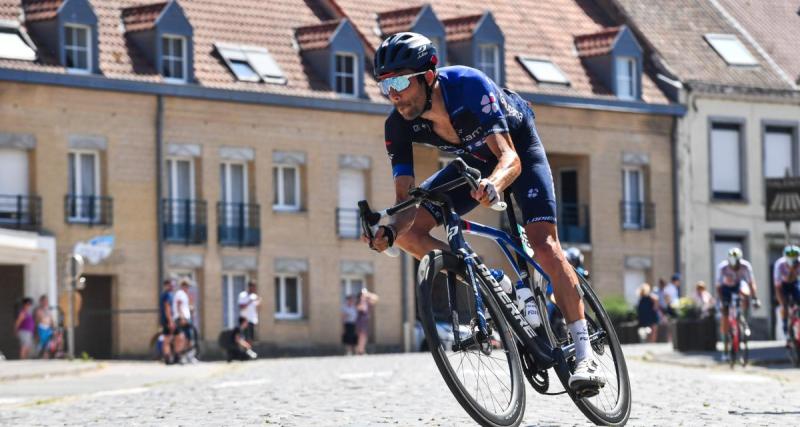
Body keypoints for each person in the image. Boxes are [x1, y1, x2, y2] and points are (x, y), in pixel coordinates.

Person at [366, 32, 604, 391]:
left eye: (399, 81)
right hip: (474, 158)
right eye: (385, 85)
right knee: (408, 234)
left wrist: (493, 184)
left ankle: (586, 354)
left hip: (517, 146)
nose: (393, 93)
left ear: (428, 75)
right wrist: (387, 231)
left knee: (545, 246)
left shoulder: (468, 86)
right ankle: (498, 284)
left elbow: (509, 157)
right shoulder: (397, 125)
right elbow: (405, 201)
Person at [716, 247, 760, 359]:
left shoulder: (746, 266)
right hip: (726, 288)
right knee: (725, 314)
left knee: (745, 293)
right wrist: (722, 301)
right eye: (733, 266)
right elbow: (719, 286)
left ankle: (743, 317)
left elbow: (751, 283)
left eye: (737, 265)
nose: (735, 267)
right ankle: (726, 346)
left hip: (739, 285)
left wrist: (754, 298)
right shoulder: (722, 267)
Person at [773, 245, 800, 344]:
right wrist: (792, 270)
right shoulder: (779, 265)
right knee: (784, 305)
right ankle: (785, 326)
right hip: (782, 285)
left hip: (795, 284)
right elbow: (778, 286)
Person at [172, 279, 196, 364]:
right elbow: (178, 305)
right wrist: (182, 317)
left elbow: (185, 306)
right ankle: (178, 356)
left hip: (186, 318)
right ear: (183, 286)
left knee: (188, 338)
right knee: (181, 338)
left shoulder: (185, 295)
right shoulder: (180, 293)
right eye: (187, 286)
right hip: (181, 318)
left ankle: (187, 356)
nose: (188, 288)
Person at [355, 288, 379, 355]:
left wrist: (368, 294)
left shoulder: (368, 302)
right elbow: (359, 308)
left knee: (364, 335)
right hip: (361, 320)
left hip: (365, 320)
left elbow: (376, 299)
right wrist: (362, 300)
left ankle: (362, 349)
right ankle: (360, 350)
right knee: (361, 335)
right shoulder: (359, 302)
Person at [159, 279, 176, 364]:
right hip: (167, 320)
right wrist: (171, 321)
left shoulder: (163, 294)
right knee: (168, 339)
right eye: (170, 285)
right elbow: (167, 308)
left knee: (166, 339)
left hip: (164, 320)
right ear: (166, 285)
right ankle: (167, 358)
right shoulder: (168, 295)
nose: (172, 286)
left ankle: (166, 356)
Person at [34, 295, 54, 359]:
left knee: (48, 343)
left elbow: (51, 320)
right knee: (41, 343)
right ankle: (39, 356)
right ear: (41, 302)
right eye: (44, 301)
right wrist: (36, 332)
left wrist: (53, 327)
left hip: (48, 329)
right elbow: (36, 321)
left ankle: (46, 356)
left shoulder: (48, 310)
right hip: (41, 329)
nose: (45, 302)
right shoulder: (38, 310)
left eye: (46, 301)